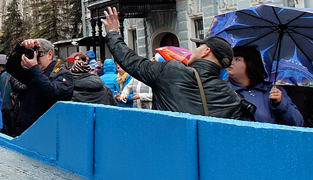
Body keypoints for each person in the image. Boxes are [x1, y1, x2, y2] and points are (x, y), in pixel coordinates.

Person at [102, 7, 247, 119]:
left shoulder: (173, 72)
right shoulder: (231, 97)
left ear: (206, 52)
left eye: (199, 46)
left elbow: (132, 62)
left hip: (169, 151)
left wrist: (113, 34)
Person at [5, 38, 74, 135]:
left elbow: (52, 93)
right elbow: (11, 67)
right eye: (33, 54)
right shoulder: (34, 73)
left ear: (50, 55)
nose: (36, 59)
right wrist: (21, 47)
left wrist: (34, 68)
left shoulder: (63, 75)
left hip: (47, 133)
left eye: (39, 54)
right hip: (27, 132)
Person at [227, 45, 303, 127]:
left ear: (251, 64)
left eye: (237, 59)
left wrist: (280, 103)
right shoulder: (223, 90)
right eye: (231, 58)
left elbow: (297, 123)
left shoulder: (272, 92)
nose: (231, 62)